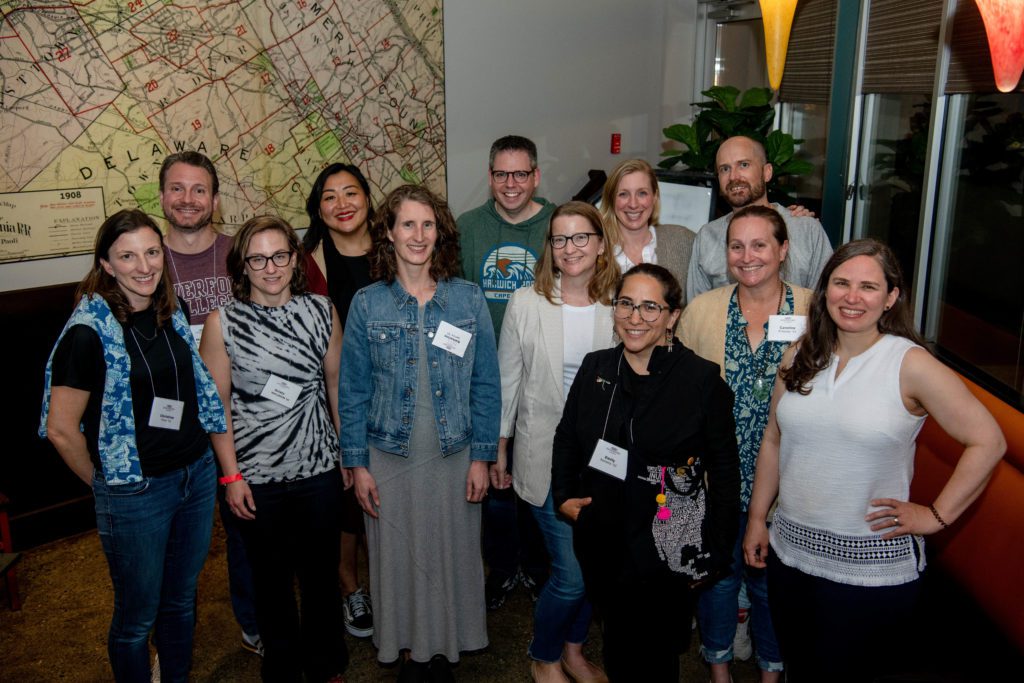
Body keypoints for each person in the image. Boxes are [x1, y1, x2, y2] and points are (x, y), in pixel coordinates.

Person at [742, 239, 1006, 682]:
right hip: (791, 557)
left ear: (891, 297)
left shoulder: (909, 364)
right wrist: (756, 518)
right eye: (841, 283)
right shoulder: (801, 354)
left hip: (867, 574)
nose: (852, 296)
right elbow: (773, 438)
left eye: (868, 286)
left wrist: (936, 517)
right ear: (824, 290)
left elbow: (989, 441)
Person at [40, 209, 226, 682]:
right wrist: (109, 486)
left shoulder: (172, 309)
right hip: (137, 491)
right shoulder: (87, 334)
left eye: (150, 252)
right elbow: (62, 428)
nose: (143, 266)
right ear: (105, 263)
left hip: (196, 474)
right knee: (136, 618)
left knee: (181, 599)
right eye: (127, 256)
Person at [340, 184, 500, 681]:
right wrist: (356, 464)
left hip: (454, 452)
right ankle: (408, 650)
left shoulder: (468, 299)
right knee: (397, 555)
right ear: (388, 233)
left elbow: (486, 384)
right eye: (407, 224)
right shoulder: (367, 304)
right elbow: (352, 390)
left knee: (451, 551)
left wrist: (482, 456)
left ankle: (442, 648)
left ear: (440, 233)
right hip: (388, 453)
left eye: (427, 224)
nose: (418, 235)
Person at [552, 263, 740, 682]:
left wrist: (716, 549)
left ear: (673, 316)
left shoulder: (701, 380)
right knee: (617, 642)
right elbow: (566, 436)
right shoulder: (596, 367)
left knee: (657, 654)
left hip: (669, 542)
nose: (635, 318)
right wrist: (563, 493)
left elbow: (725, 470)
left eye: (650, 307)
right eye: (626, 304)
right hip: (604, 534)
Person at [200, 216, 349, 682]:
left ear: (294, 258)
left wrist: (347, 452)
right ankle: (282, 667)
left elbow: (336, 385)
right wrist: (231, 477)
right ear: (242, 265)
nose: (270, 267)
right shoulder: (222, 322)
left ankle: (327, 663)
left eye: (280, 255)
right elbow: (217, 407)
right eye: (258, 258)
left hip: (319, 468)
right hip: (257, 478)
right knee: (271, 582)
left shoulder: (322, 311)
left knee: (321, 578)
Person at [680, 205, 813, 682]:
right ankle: (718, 670)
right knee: (718, 579)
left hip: (789, 484)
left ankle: (771, 672)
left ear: (783, 250)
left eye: (760, 245)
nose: (747, 255)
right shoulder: (703, 311)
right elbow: (680, 394)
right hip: (717, 480)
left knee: (771, 585)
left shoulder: (816, 311)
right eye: (737, 245)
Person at [496, 202, 618, 683]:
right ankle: (543, 654)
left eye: (581, 237)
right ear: (550, 247)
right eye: (560, 239)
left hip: (607, 461)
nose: (571, 248)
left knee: (595, 567)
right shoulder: (526, 303)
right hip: (543, 456)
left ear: (601, 243)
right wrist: (499, 448)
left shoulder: (619, 303)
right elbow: (509, 382)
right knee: (571, 575)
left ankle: (573, 650)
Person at [159, 150, 262, 656]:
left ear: (215, 200)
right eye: (177, 188)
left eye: (199, 189)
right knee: (175, 547)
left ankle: (254, 622)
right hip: (173, 428)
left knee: (245, 531)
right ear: (162, 197)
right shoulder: (147, 258)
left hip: (241, 421)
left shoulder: (239, 254)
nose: (188, 199)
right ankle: (170, 644)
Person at [458, 134, 552, 610]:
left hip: (543, 379)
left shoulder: (559, 224)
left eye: (520, 174)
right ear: (490, 176)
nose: (511, 184)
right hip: (483, 379)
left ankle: (538, 568)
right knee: (496, 485)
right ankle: (501, 568)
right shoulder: (469, 227)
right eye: (501, 174)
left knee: (536, 480)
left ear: (536, 176)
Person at [303, 162, 376, 639]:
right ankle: (350, 586)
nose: (342, 204)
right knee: (347, 497)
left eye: (351, 193)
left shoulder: (396, 248)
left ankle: (396, 581)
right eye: (330, 196)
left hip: (399, 389)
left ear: (369, 199)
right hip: (339, 394)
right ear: (318, 208)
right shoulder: (309, 260)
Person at [687, 135, 833, 302]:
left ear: (767, 172)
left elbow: (824, 303)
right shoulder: (707, 236)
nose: (734, 176)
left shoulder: (806, 230)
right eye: (724, 169)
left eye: (744, 165)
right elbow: (697, 311)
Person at [599, 158, 695, 290]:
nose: (633, 204)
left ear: (655, 196)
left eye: (642, 193)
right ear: (611, 199)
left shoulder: (683, 240)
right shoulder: (596, 251)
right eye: (623, 194)